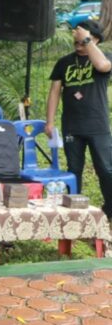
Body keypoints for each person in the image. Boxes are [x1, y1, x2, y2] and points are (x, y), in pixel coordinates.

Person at [46, 20, 112, 218]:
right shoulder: (64, 62)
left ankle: (109, 210)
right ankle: (75, 212)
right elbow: (54, 92)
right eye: (78, 38)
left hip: (97, 125)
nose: (79, 42)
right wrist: (49, 121)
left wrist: (86, 39)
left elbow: (102, 66)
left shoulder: (104, 57)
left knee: (106, 169)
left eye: (84, 39)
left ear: (96, 40)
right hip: (72, 126)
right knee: (74, 169)